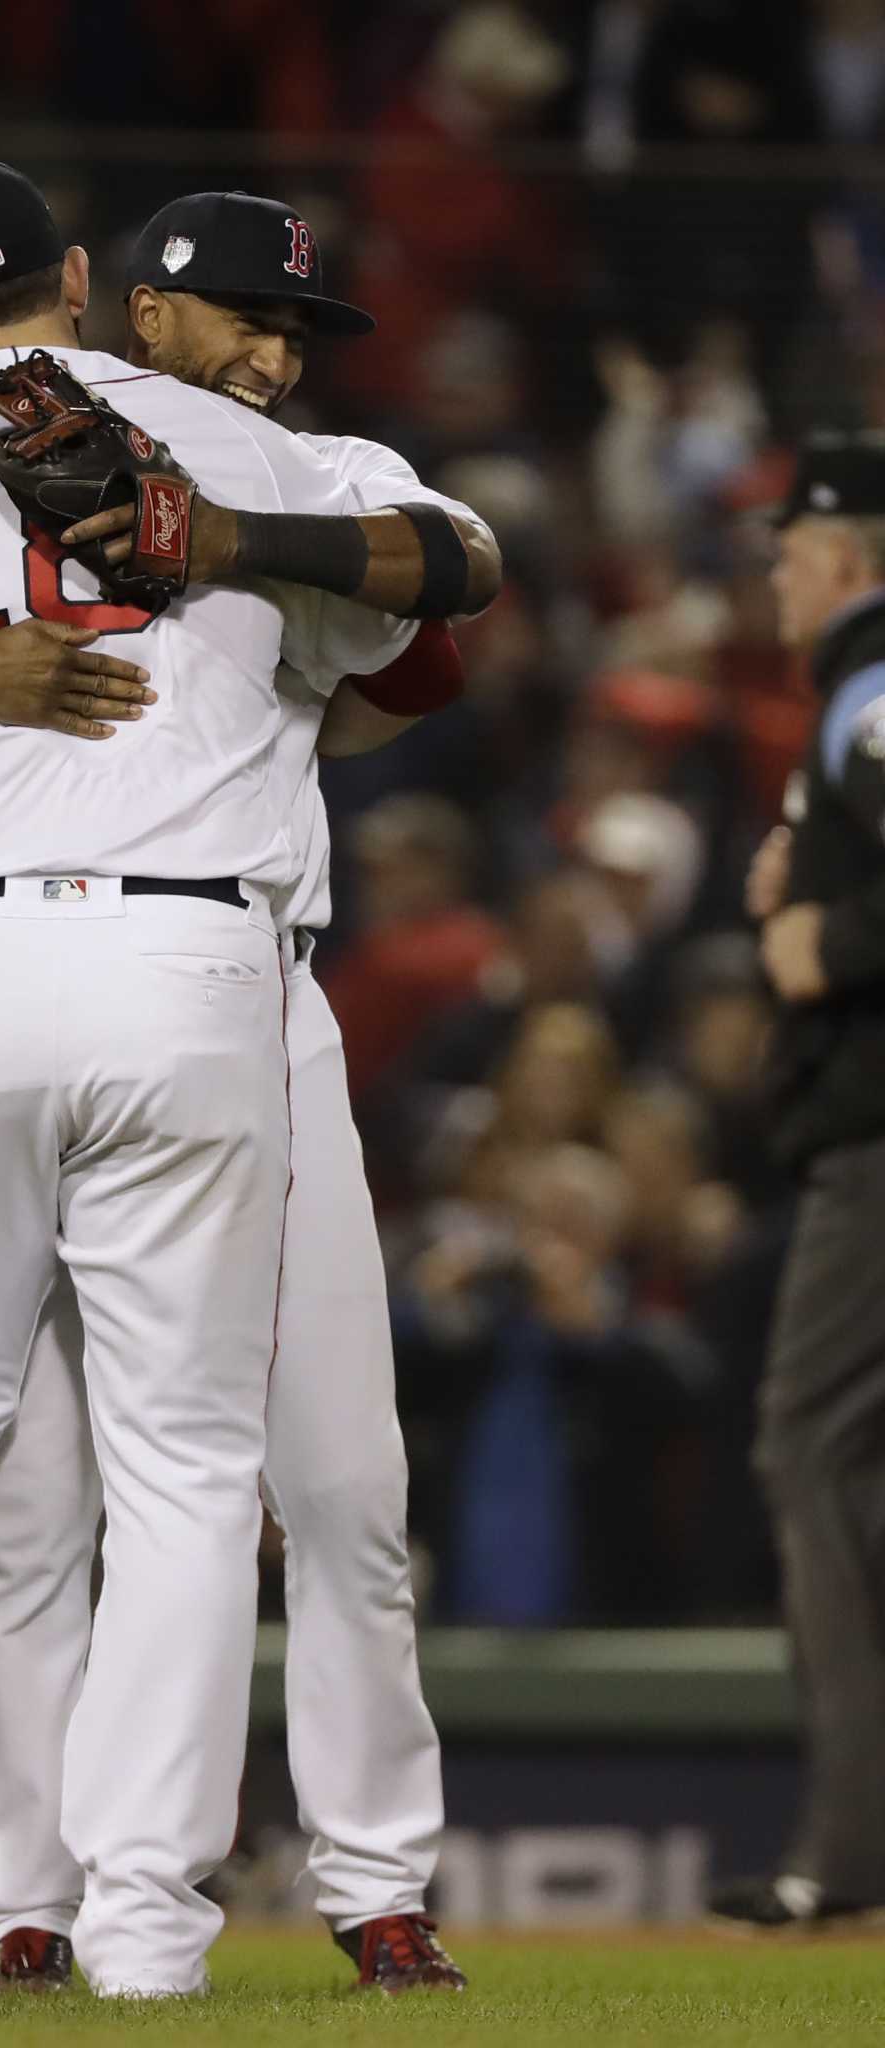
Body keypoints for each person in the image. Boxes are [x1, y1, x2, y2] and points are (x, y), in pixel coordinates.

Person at [0, 161, 490, 2002]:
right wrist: (221, 534)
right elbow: (456, 576)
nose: (283, 355)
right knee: (180, 1475)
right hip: (183, 964)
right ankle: (134, 1925)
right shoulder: (267, 452)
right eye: (268, 322)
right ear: (91, 283)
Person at [711, 431, 885, 1931]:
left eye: (789, 550)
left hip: (880, 1145)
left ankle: (854, 1850)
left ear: (848, 557)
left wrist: (820, 939)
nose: (774, 573)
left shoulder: (871, 676)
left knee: (810, 1452)